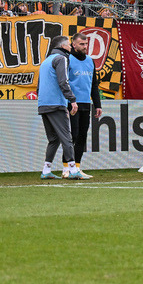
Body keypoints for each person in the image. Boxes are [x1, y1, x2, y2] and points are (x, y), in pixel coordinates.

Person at [37, 36, 83, 180]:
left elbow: (38, 87)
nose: (70, 47)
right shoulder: (61, 59)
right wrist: (72, 100)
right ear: (63, 46)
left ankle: (46, 170)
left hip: (43, 104)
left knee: (54, 139)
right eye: (69, 45)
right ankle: (73, 170)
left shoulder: (45, 61)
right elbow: (64, 82)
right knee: (66, 137)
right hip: (56, 104)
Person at [60, 32, 101, 179]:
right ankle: (66, 168)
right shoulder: (67, 59)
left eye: (86, 44)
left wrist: (97, 104)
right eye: (81, 44)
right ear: (74, 45)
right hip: (72, 104)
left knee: (82, 136)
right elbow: (63, 82)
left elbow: (94, 84)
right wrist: (68, 101)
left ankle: (77, 167)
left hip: (86, 103)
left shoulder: (90, 61)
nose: (85, 46)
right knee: (72, 136)